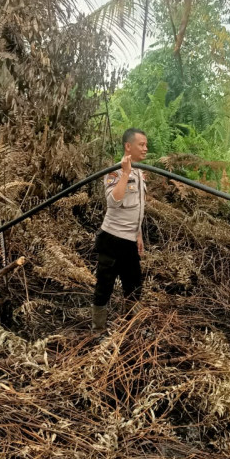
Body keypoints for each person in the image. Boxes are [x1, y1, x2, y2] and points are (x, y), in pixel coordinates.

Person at [90, 128, 149, 334]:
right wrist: (125, 173)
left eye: (146, 145)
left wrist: (138, 234)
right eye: (141, 144)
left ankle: (131, 328)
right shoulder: (115, 172)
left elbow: (138, 208)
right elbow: (113, 201)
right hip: (112, 239)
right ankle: (98, 330)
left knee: (134, 287)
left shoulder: (140, 173)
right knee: (104, 287)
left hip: (130, 241)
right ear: (128, 146)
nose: (145, 148)